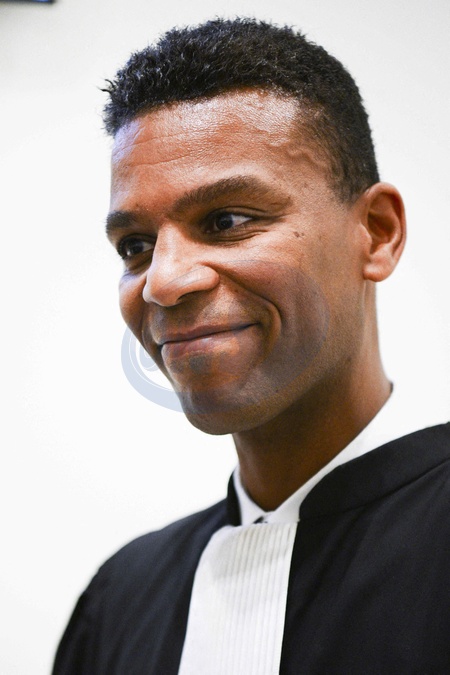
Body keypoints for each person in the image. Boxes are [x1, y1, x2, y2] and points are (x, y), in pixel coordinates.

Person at [53, 18, 450, 674]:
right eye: (135, 246)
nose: (162, 282)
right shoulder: (119, 602)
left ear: (377, 233)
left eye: (227, 220)